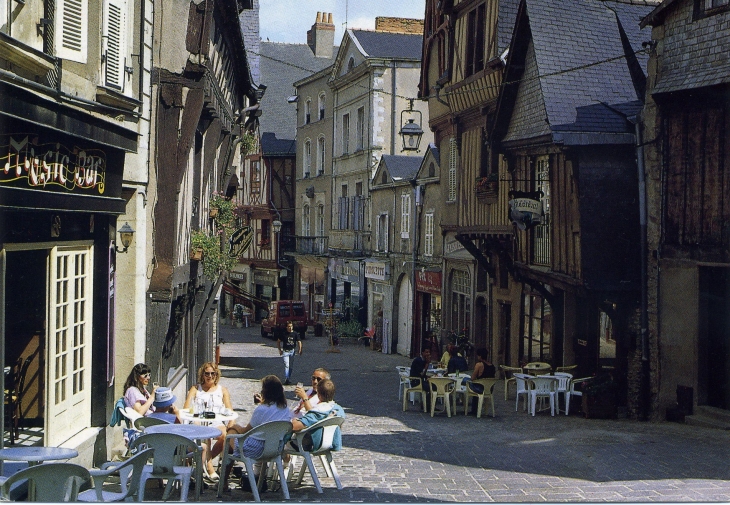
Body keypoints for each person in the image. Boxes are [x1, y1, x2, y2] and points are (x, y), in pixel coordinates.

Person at [225, 375, 292, 488]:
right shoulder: (285, 408)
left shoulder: (261, 410)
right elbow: (271, 414)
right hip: (275, 448)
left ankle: (223, 482)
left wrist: (234, 427)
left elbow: (244, 431)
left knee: (230, 435)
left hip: (256, 450)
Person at [183, 362, 234, 481]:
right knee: (206, 435)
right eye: (207, 373)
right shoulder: (195, 389)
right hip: (198, 420)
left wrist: (231, 424)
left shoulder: (222, 390)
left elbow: (229, 409)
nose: (210, 376)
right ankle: (210, 467)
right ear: (203, 374)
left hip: (216, 420)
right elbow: (186, 408)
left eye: (213, 373)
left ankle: (205, 460)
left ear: (216, 375)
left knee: (224, 436)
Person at [289, 378, 345, 456]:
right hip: (330, 442)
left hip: (311, 444)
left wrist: (294, 420)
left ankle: (282, 465)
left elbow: (295, 426)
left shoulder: (318, 411)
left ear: (318, 395)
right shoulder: (339, 410)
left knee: (280, 443)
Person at [467, 348, 496, 415]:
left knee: (466, 380)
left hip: (480, 389)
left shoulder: (479, 365)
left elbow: (473, 378)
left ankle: (473, 409)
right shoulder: (492, 366)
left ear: (480, 356)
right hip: (489, 389)